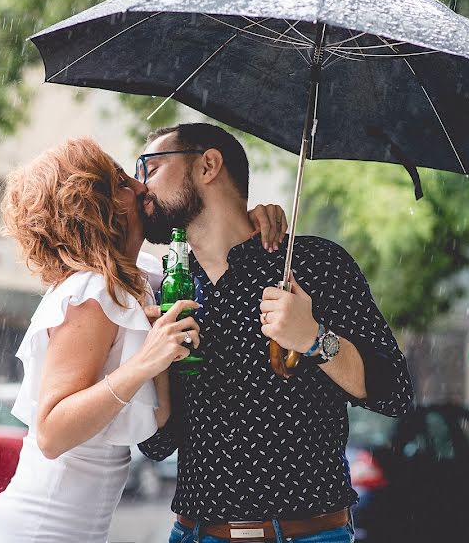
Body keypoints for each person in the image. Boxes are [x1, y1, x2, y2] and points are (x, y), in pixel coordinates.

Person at [0, 136, 287, 543]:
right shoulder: (91, 291)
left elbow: (155, 418)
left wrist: (255, 216)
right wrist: (145, 362)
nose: (141, 188)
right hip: (39, 530)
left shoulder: (138, 278)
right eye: (123, 182)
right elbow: (51, 433)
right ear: (97, 208)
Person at [136, 123, 415, 543]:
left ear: (208, 165)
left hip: (304, 535)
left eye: (151, 168)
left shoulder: (314, 263)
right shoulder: (170, 290)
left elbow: (394, 391)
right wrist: (153, 359)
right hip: (195, 534)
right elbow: (159, 445)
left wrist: (314, 338)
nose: (142, 187)